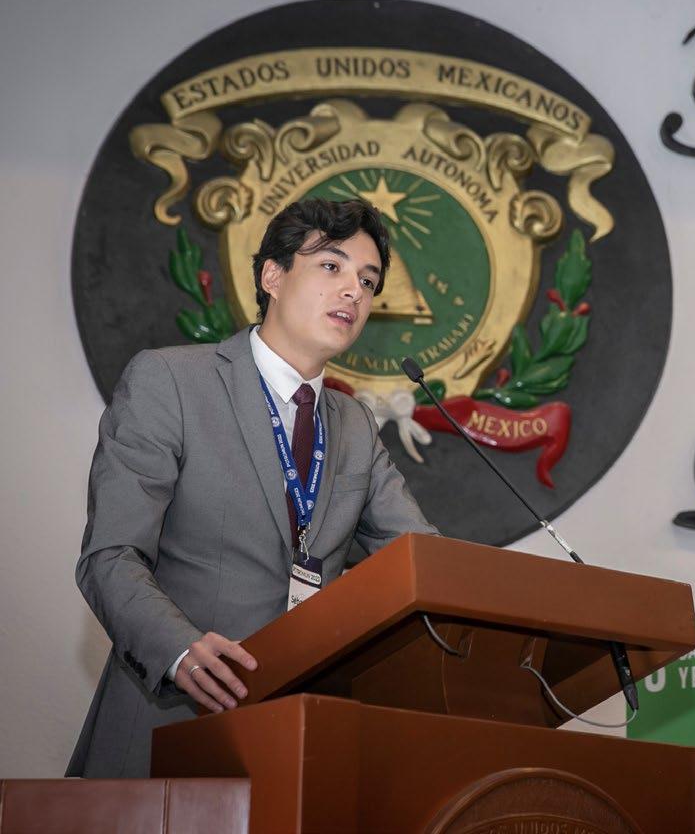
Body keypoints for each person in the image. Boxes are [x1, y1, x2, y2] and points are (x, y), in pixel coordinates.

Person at [68, 197, 438, 778]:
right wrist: (179, 649)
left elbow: (423, 558)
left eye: (368, 282)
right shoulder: (172, 381)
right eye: (332, 266)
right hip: (169, 719)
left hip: (292, 743)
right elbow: (110, 555)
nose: (354, 291)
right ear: (273, 276)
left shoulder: (354, 426)